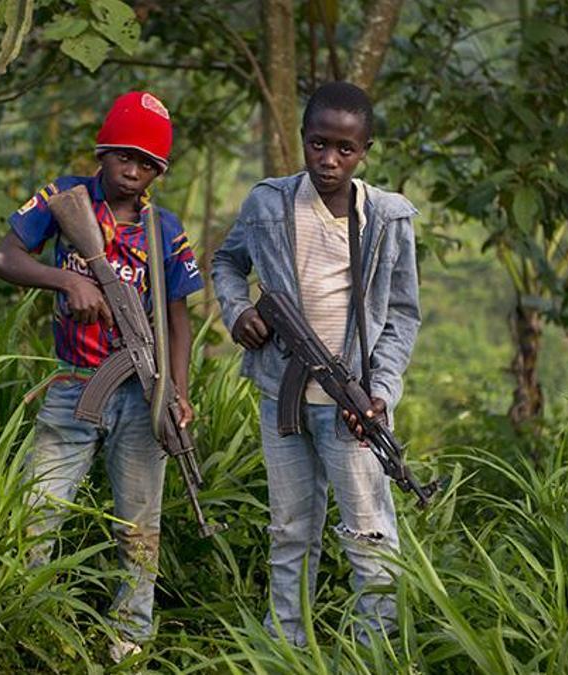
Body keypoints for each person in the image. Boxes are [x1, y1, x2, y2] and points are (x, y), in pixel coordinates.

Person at [0, 91, 203, 662]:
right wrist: (69, 282)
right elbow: (4, 259)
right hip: (73, 384)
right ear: (101, 153)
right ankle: (29, 616)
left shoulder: (165, 228)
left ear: (159, 171)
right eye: (123, 157)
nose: (132, 172)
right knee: (38, 509)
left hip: (141, 392)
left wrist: (177, 393)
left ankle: (130, 635)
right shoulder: (65, 197)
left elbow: (178, 321)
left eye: (147, 164)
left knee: (139, 522)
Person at [211, 81, 421, 645]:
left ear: (365, 151)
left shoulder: (387, 218)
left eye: (344, 149)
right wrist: (236, 313)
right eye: (317, 144)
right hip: (283, 396)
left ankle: (373, 650)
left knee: (370, 538)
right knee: (290, 531)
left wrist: (383, 394)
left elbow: (402, 316)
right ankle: (286, 646)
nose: (329, 160)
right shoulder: (268, 204)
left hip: (353, 405)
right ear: (302, 140)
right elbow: (226, 263)